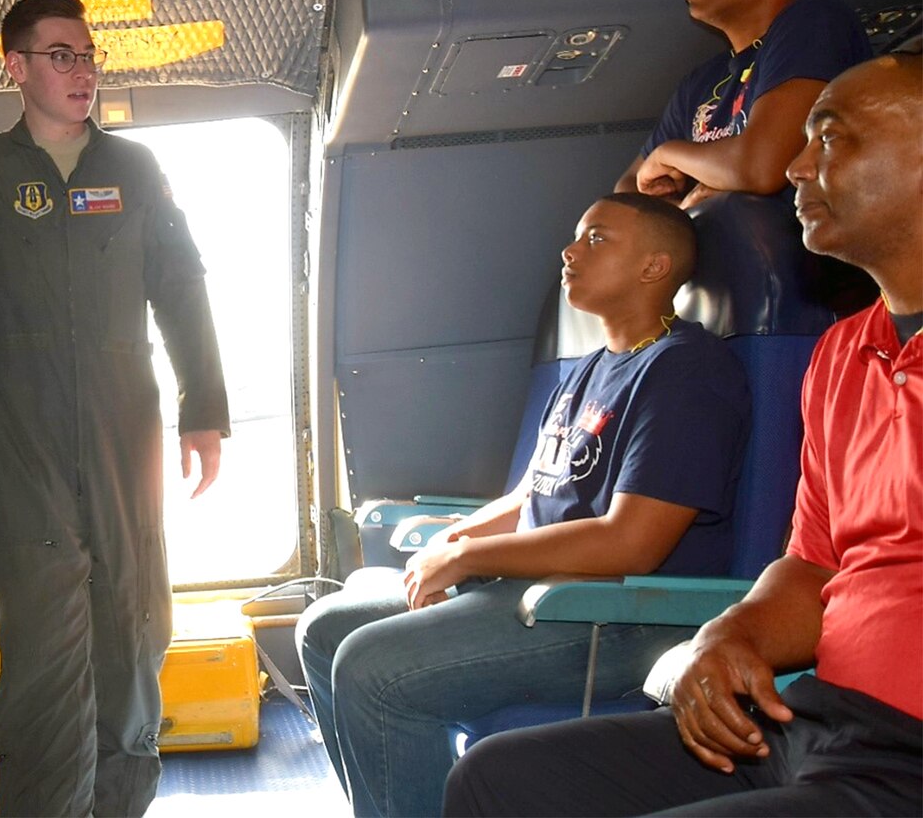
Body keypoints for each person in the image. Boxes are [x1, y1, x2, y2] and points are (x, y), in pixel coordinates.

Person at [443, 53, 922, 817]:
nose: (794, 168)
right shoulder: (841, 353)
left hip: (907, 754)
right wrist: (727, 638)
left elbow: (631, 539)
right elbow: (810, 569)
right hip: (824, 719)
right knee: (496, 781)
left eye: (829, 140)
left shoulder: (684, 371)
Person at [296, 192, 751, 817]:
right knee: (323, 629)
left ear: (654, 266)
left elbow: (631, 543)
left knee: (374, 668)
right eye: (575, 236)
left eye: (597, 239)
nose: (569, 251)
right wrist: (453, 541)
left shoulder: (687, 373)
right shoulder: (593, 368)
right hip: (540, 590)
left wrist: (471, 557)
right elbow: (532, 495)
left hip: (614, 615)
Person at [0, 0, 230, 816]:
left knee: (134, 630)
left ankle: (120, 803)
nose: (81, 72)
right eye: (61, 56)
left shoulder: (134, 171)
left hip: (125, 435)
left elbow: (181, 288)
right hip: (26, 442)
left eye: (87, 56)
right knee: (44, 648)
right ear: (16, 67)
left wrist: (204, 410)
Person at [616, 0, 869, 207]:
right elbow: (628, 192)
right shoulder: (701, 82)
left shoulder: (814, 19)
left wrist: (668, 154)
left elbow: (761, 168)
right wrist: (679, 214)